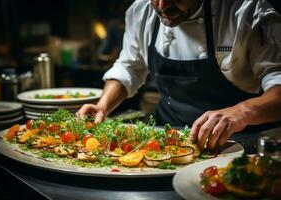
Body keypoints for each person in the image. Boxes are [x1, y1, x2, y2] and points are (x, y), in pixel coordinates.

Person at [77, 0, 281, 150]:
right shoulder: (142, 11)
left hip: (238, 144)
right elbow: (129, 66)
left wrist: (242, 112)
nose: (162, 5)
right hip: (166, 141)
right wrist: (103, 105)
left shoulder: (247, 12)